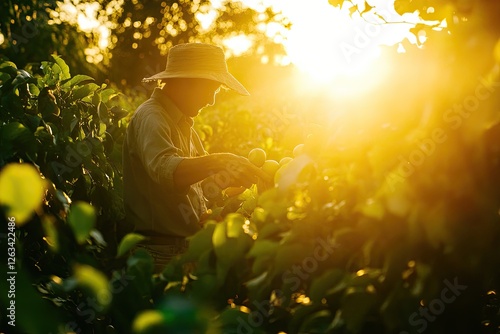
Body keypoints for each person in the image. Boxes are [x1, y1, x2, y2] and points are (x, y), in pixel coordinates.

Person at [122, 43, 269, 271]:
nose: (210, 101)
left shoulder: (184, 125)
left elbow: (195, 188)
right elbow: (167, 171)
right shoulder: (152, 117)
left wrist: (228, 181)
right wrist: (221, 161)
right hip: (158, 254)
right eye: (210, 90)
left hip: (183, 250)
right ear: (186, 82)